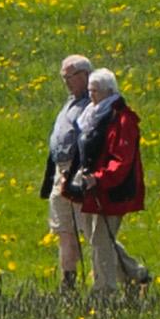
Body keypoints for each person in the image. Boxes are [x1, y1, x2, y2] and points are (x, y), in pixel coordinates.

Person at [63, 66, 151, 296]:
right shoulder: (91, 115)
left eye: (96, 91)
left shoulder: (122, 120)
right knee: (97, 238)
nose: (90, 95)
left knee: (101, 240)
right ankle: (135, 274)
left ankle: (104, 291)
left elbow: (121, 161)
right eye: (90, 90)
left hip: (114, 190)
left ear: (109, 91)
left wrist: (98, 179)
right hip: (94, 189)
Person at [38, 55, 100, 292]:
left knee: (89, 229)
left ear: (85, 75)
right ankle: (68, 282)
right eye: (63, 77)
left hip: (78, 172)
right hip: (59, 172)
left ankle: (105, 279)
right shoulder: (69, 103)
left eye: (70, 76)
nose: (66, 81)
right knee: (63, 229)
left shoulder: (92, 105)